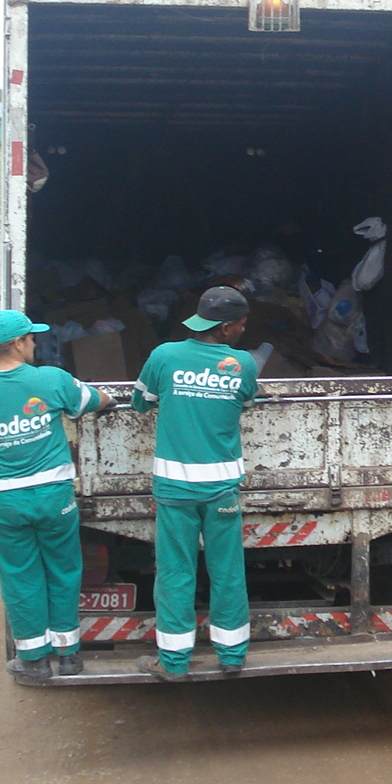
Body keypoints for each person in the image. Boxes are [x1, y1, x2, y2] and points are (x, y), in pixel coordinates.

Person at [0, 309, 114, 682]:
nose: (35, 344)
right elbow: (96, 400)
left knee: (19, 575)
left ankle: (33, 661)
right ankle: (69, 655)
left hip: (5, 501)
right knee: (63, 570)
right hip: (52, 496)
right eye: (31, 339)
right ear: (18, 343)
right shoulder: (51, 380)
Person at [131, 285, 261, 680]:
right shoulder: (244, 365)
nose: (242, 330)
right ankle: (232, 657)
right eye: (239, 325)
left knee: (175, 574)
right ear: (223, 328)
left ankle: (173, 663)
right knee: (227, 572)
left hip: (175, 492)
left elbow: (141, 403)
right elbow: (247, 403)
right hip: (222, 491)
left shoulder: (164, 355)